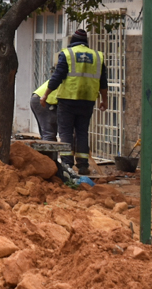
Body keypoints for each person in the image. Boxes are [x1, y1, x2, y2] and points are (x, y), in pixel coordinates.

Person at [43, 28, 108, 178]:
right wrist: (104, 100)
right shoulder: (98, 56)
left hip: (68, 98)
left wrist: (45, 94)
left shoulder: (67, 54)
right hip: (88, 100)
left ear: (72, 41)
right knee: (82, 131)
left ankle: (67, 164)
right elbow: (103, 81)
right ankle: (83, 165)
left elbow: (57, 76)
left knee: (65, 131)